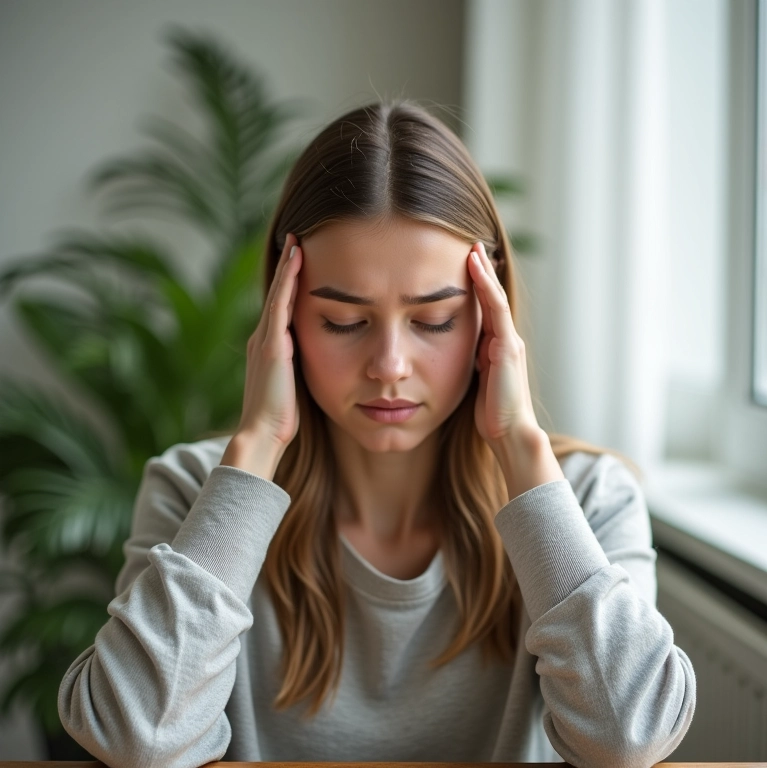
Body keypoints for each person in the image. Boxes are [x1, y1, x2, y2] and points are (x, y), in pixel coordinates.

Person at [58, 99, 696, 768]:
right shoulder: (195, 490)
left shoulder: (590, 499)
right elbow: (134, 740)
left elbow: (629, 739)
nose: (389, 366)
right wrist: (257, 447)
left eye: (434, 320)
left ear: (490, 315)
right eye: (342, 321)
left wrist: (519, 444)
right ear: (284, 315)